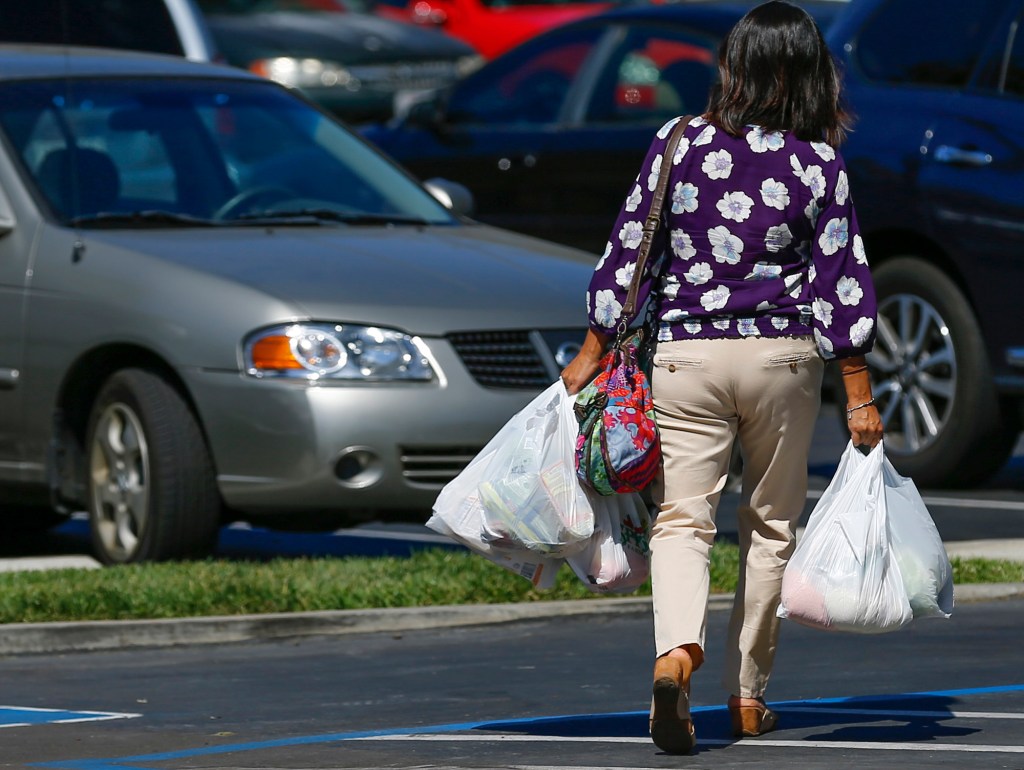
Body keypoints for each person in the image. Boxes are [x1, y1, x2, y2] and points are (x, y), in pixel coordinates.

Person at [560, 0, 883, 755]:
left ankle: (676, 652)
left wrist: (590, 352)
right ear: (810, 72)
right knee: (770, 526)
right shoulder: (820, 162)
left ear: (733, 66)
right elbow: (841, 277)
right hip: (781, 358)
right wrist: (859, 392)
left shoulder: (678, 143)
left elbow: (629, 255)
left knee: (684, 521)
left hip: (685, 356)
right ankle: (747, 697)